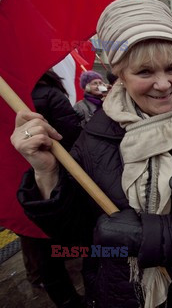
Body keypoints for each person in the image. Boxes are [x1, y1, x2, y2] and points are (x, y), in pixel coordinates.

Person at [12, 0, 172, 308]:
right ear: (119, 74)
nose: (164, 84)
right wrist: (46, 172)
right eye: (145, 72)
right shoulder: (91, 138)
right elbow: (75, 234)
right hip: (118, 293)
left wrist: (146, 235)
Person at [19, 70, 84, 308]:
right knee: (54, 239)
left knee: (34, 238)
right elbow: (72, 134)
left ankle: (40, 278)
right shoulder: (49, 95)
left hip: (22, 186)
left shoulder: (21, 96)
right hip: (56, 178)